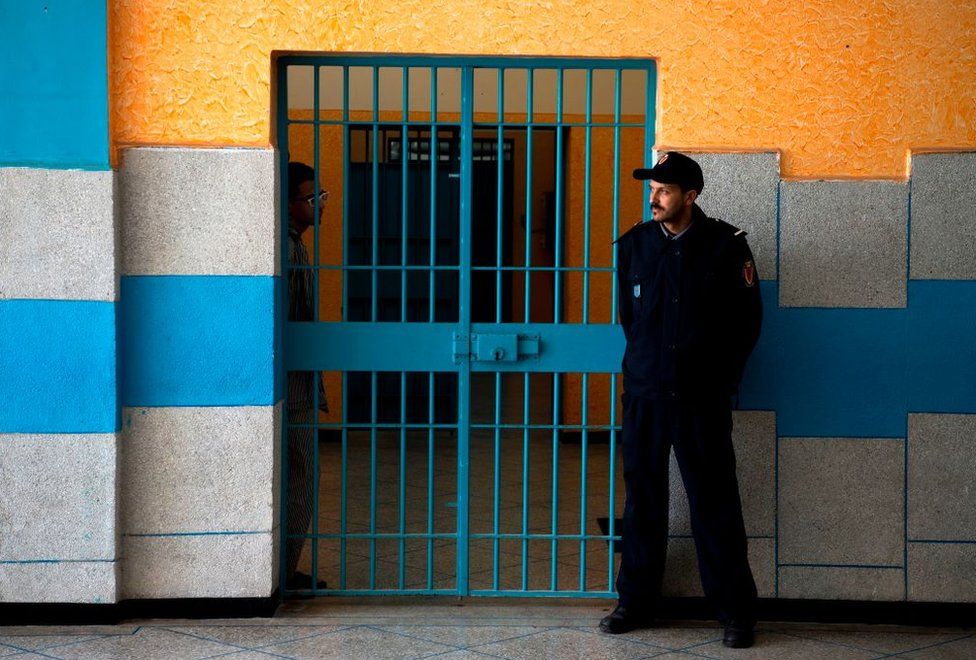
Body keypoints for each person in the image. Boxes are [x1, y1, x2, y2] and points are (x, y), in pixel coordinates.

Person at [600, 152, 762, 648]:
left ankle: (735, 614)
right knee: (643, 501)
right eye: (653, 189)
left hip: (700, 401)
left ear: (690, 196)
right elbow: (633, 322)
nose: (655, 197)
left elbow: (746, 325)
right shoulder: (634, 247)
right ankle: (635, 602)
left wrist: (719, 382)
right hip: (647, 396)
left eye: (664, 190)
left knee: (714, 502)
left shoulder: (726, 246)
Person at [285, 161, 329, 592]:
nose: (320, 205)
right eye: (312, 198)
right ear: (289, 203)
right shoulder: (290, 246)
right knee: (301, 477)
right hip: (294, 385)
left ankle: (281, 569)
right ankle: (284, 570)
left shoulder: (293, 243)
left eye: (323, 197)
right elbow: (295, 316)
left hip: (292, 381)